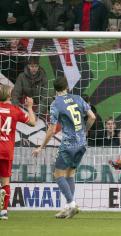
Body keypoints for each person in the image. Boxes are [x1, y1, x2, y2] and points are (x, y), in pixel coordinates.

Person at [32, 77, 96, 219]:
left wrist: (41, 147)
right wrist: (84, 131)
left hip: (68, 144)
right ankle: (68, 208)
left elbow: (52, 129)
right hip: (82, 143)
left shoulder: (56, 104)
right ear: (67, 86)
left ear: (54, 89)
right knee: (70, 175)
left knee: (58, 175)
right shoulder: (78, 98)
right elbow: (92, 117)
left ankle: (72, 204)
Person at [0, 85, 36, 220]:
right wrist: (30, 107)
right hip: (6, 150)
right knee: (5, 182)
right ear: (10, 95)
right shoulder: (15, 110)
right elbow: (33, 123)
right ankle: (3, 212)